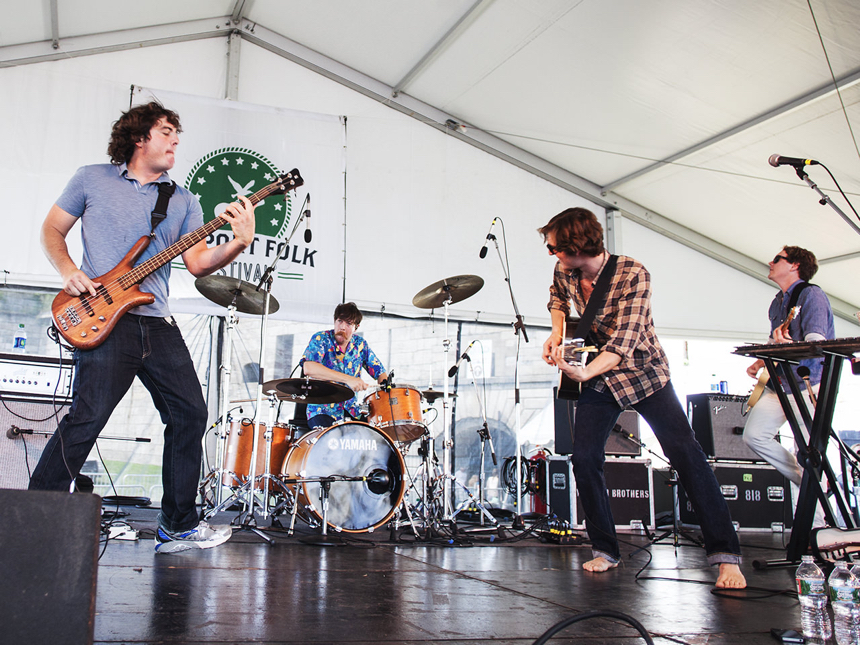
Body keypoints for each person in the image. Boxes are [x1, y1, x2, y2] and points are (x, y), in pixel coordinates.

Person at [29, 101, 256, 554]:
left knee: (190, 412)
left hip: (157, 322)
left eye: (177, 135)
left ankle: (177, 526)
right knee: (87, 418)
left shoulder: (183, 199)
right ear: (139, 137)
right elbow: (52, 229)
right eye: (167, 131)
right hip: (102, 317)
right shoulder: (92, 178)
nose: (175, 141)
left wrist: (238, 242)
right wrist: (68, 270)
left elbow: (197, 264)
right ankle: (32, 515)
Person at [539, 207, 746, 589]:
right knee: (584, 459)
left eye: (556, 249)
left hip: (644, 372)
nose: (551, 255)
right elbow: (557, 300)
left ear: (578, 246)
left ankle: (726, 556)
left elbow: (624, 342)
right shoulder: (564, 270)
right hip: (601, 379)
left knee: (687, 455)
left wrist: (584, 372)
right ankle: (605, 549)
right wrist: (556, 334)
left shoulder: (633, 273)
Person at [742, 246, 834, 517]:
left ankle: (819, 527)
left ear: (794, 265)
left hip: (806, 385)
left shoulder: (812, 295)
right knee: (754, 436)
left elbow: (816, 344)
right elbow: (776, 339)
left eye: (778, 259)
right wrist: (760, 361)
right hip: (779, 385)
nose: (770, 262)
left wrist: (787, 347)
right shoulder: (778, 302)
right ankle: (810, 482)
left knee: (808, 451)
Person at [300, 302, 388, 429]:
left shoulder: (360, 344)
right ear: (335, 321)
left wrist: (384, 393)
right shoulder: (321, 339)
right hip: (322, 410)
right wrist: (348, 379)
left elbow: (380, 372)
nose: (342, 327)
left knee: (376, 437)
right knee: (333, 440)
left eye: (348, 324)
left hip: (352, 411)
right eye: (340, 321)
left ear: (356, 327)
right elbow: (309, 368)